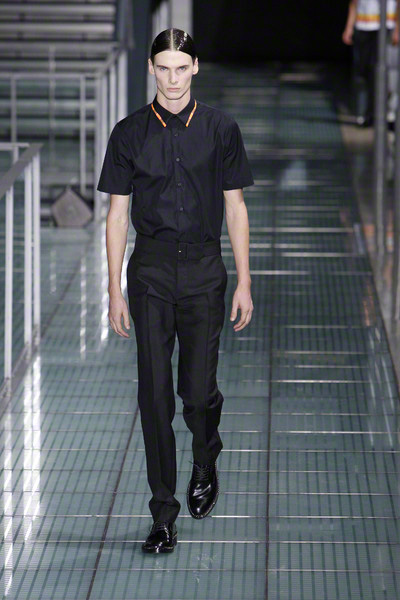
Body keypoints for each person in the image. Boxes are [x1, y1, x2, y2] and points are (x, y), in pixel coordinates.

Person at [97, 29, 254, 554]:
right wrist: (114, 288)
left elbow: (235, 207)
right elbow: (117, 215)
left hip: (206, 270)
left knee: (197, 394)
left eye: (180, 68)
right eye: (163, 68)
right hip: (151, 273)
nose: (172, 79)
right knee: (155, 396)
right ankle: (163, 514)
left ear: (195, 68)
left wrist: (245, 280)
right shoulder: (128, 133)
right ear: (151, 69)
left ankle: (205, 455)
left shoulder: (220, 129)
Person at [342, 0, 399, 126]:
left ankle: (389, 113)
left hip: (387, 26)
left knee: (388, 71)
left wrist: (397, 29)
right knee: (364, 72)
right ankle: (366, 113)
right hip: (364, 25)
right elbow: (353, 3)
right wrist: (349, 27)